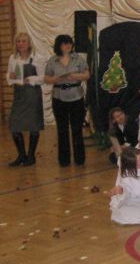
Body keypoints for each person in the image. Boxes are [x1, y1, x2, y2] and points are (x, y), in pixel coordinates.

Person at [44, 34, 90, 167]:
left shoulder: (78, 58)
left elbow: (87, 75)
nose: (68, 45)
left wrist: (75, 76)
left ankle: (79, 159)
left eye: (70, 43)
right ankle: (64, 160)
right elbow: (46, 78)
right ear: (59, 45)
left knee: (77, 129)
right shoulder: (53, 60)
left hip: (76, 96)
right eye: (65, 43)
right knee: (62, 129)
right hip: (59, 97)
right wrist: (56, 79)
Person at [6, 32, 46, 167]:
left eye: (23, 41)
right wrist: (11, 77)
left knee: (33, 125)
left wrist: (30, 79)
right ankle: (21, 155)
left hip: (32, 94)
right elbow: (9, 75)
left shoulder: (37, 58)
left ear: (29, 43)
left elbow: (43, 78)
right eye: (18, 41)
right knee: (14, 126)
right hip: (19, 94)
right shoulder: (13, 58)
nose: (21, 44)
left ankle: (31, 156)